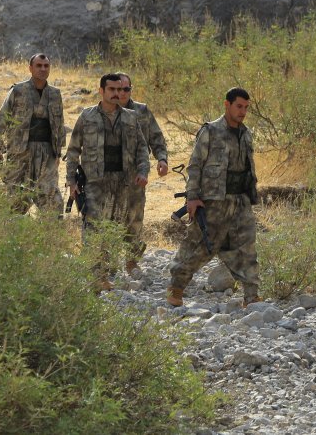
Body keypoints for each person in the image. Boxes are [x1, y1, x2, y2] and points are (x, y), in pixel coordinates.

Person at [167, 87, 261, 307]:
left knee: (246, 247)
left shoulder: (246, 134)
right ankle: (176, 288)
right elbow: (195, 165)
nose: (243, 112)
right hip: (214, 201)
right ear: (227, 105)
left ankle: (251, 296)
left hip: (240, 201)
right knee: (199, 246)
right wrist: (192, 197)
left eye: (246, 107)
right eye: (239, 106)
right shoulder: (210, 131)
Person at [64, 73, 149, 289]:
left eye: (120, 90)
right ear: (101, 91)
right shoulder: (87, 117)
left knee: (114, 226)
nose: (117, 94)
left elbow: (141, 148)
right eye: (111, 90)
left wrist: (143, 171)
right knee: (93, 227)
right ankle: (95, 276)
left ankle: (105, 274)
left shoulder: (131, 118)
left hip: (122, 184)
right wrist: (71, 181)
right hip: (95, 184)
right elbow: (73, 149)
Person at [0, 53, 65, 214]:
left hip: (47, 154)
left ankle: (51, 236)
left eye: (46, 66)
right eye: (39, 65)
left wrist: (58, 153)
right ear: (30, 68)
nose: (43, 69)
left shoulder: (55, 94)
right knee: (16, 200)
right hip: (20, 152)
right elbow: (2, 119)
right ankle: (13, 235)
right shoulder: (18, 91)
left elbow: (59, 124)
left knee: (52, 201)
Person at [117, 72, 170, 274]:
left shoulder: (142, 111)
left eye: (126, 89)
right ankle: (105, 261)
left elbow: (156, 138)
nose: (121, 93)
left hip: (136, 174)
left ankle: (131, 261)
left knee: (135, 216)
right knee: (107, 216)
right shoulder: (102, 111)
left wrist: (162, 159)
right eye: (117, 88)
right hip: (107, 176)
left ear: (131, 89)